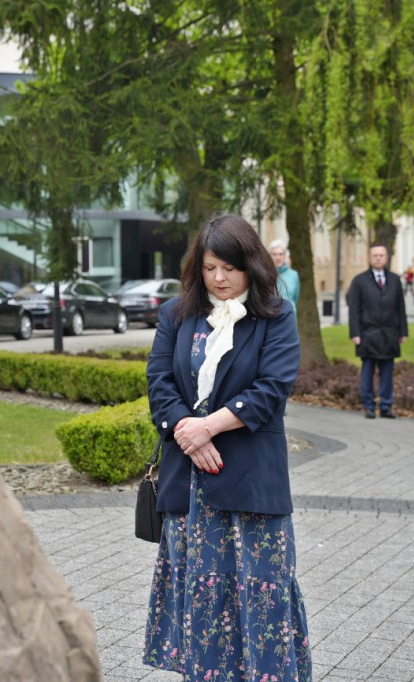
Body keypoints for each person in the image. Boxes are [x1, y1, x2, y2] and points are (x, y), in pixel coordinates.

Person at [143, 214, 311, 681]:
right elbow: (159, 383)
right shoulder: (176, 315)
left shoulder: (276, 316)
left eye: (229, 269)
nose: (218, 278)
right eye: (210, 267)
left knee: (260, 592)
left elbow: (271, 388)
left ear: (251, 266)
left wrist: (208, 428)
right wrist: (188, 433)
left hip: (251, 479)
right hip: (189, 482)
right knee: (199, 593)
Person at [347, 244, 408, 419]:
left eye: (381, 255)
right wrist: (355, 333)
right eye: (375, 255)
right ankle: (368, 405)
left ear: (387, 257)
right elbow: (354, 309)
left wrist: (403, 331)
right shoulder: (359, 281)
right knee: (367, 371)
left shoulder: (395, 280)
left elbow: (400, 308)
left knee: (387, 372)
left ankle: (386, 406)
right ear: (369, 258)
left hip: (389, 334)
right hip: (367, 334)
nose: (378, 258)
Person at [269, 238, 300, 314]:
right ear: (270, 256)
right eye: (275, 254)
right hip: (272, 317)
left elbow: (295, 298)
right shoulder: (266, 275)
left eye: (280, 254)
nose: (278, 258)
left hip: (290, 316)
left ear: (285, 256)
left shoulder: (294, 275)